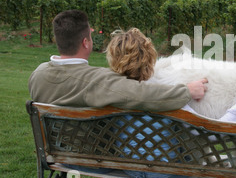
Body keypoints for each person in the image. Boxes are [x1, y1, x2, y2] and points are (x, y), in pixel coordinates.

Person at [105, 28, 236, 178]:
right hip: (164, 172)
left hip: (129, 166)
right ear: (150, 56)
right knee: (192, 138)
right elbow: (209, 135)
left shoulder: (109, 91)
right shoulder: (166, 94)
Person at [28, 10, 208, 111]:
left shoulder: (38, 75)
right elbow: (142, 94)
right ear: (85, 43)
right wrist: (186, 91)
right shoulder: (98, 81)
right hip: (90, 156)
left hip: (57, 152)